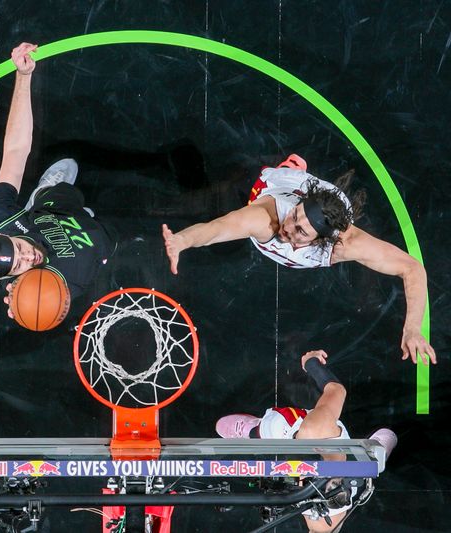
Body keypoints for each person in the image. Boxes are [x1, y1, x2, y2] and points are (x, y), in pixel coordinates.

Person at [161, 154, 435, 365]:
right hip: (279, 183)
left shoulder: (343, 245)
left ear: (320, 242)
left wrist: (412, 329)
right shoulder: (268, 219)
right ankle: (292, 167)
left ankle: (297, 172)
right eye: (295, 216)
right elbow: (216, 229)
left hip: (328, 208)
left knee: (344, 216)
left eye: (301, 230)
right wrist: (183, 241)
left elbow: (412, 269)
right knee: (242, 195)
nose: (288, 228)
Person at [0, 43, 116, 313]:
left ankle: (44, 190)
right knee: (106, 241)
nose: (29, 256)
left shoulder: (0, 218)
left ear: (7, 234)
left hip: (54, 209)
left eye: (19, 248)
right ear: (7, 279)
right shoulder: (39, 290)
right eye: (19, 265)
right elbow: (45, 312)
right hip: (95, 246)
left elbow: (15, 150)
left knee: (61, 188)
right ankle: (87, 219)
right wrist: (31, 308)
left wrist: (23, 76)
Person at [215, 349, 398, 532]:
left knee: (322, 527)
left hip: (291, 441)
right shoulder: (316, 430)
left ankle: (255, 431)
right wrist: (311, 362)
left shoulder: (321, 514)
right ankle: (255, 430)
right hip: (301, 429)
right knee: (382, 445)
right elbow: (336, 389)